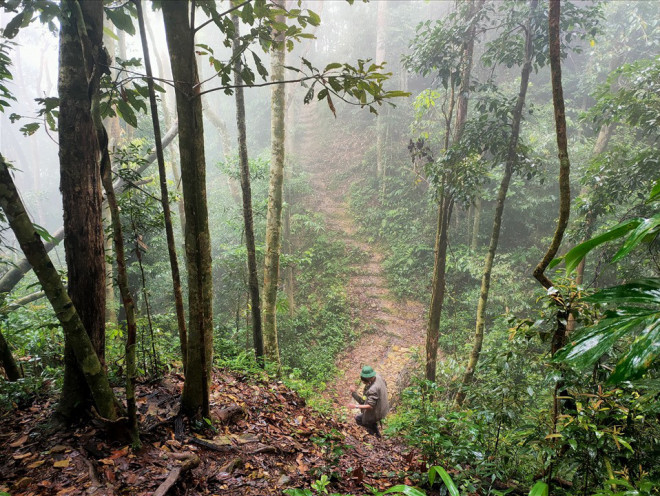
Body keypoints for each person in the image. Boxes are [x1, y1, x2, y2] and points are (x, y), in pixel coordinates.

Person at [346, 365, 389, 438]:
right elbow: (363, 401)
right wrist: (354, 393)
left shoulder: (373, 389)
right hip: (384, 407)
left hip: (378, 412)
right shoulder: (378, 377)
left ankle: (374, 436)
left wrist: (355, 406)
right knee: (370, 421)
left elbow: (370, 406)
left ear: (367, 379)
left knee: (359, 419)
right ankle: (376, 431)